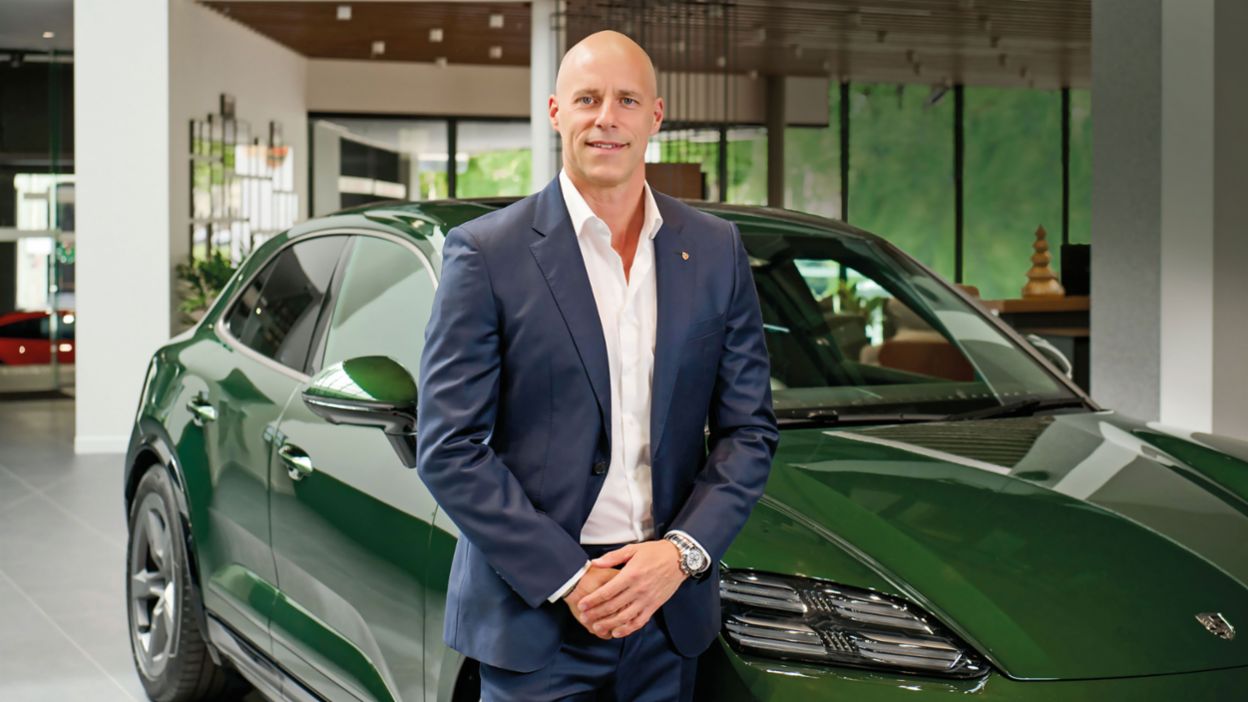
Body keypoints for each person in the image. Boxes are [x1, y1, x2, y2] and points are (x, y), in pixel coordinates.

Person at [417, 30, 778, 701]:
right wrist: (570, 579)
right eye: (587, 99)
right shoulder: (485, 255)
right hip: (535, 618)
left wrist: (680, 555)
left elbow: (749, 432)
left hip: (666, 612)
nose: (607, 117)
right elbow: (449, 448)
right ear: (556, 112)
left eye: (626, 100)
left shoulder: (716, 250)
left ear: (655, 116)